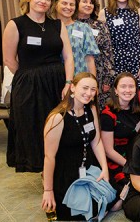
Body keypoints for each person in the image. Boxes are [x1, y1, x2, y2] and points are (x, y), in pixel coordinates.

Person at [3, 0, 74, 172]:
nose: (43, 1)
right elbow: (9, 59)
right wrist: (30, 76)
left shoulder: (57, 24)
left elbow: (68, 56)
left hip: (57, 82)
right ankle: (42, 170)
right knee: (33, 127)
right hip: (29, 84)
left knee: (59, 125)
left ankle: (58, 168)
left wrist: (68, 81)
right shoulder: (16, 24)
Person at [42, 73, 114, 220]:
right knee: (82, 213)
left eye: (93, 89)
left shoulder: (91, 109)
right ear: (73, 88)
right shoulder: (57, 117)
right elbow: (49, 157)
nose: (89, 93)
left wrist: (104, 169)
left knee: (114, 198)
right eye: (85, 88)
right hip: (65, 177)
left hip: (88, 171)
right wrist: (48, 190)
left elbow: (97, 141)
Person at [100, 72, 140, 211]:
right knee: (116, 204)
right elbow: (108, 150)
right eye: (123, 86)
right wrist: (130, 165)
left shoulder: (138, 110)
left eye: (131, 86)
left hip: (133, 155)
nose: (128, 90)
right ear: (116, 90)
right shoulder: (108, 114)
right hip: (115, 160)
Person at [99, 0, 140, 88]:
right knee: (117, 98)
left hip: (136, 62)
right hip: (114, 63)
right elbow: (102, 45)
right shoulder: (104, 13)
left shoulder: (139, 12)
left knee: (137, 97)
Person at [75, 0, 116, 109]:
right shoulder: (70, 25)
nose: (88, 5)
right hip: (76, 70)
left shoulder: (100, 25)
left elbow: (108, 52)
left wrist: (107, 79)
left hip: (99, 72)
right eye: (84, 2)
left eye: (91, 2)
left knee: (97, 106)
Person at [51, 0, 99, 75]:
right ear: (55, 5)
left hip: (79, 79)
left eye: (72, 4)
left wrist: (93, 82)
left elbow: (90, 59)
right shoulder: (48, 27)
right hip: (54, 78)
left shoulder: (83, 28)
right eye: (64, 3)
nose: (68, 7)